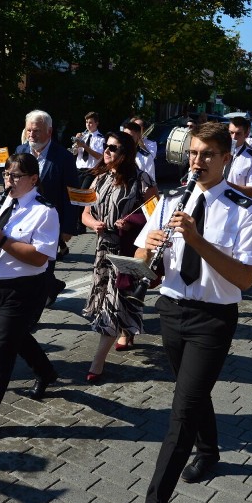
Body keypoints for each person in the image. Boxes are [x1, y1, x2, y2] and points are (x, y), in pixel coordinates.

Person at [128, 122, 252, 503]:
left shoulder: (244, 209)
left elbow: (244, 279)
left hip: (212, 317)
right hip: (171, 308)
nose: (198, 161)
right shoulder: (171, 200)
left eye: (207, 154)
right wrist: (146, 252)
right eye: (193, 153)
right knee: (193, 390)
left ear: (226, 159)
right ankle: (210, 449)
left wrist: (199, 240)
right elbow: (143, 257)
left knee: (182, 409)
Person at [0, 152, 60, 443]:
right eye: (6, 174)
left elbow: (40, 257)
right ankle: (46, 371)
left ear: (33, 179)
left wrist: (1, 239)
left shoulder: (44, 211)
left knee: (1, 348)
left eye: (16, 176)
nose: (10, 180)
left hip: (24, 288)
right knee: (15, 336)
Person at [81, 131, 156, 382]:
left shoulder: (141, 180)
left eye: (113, 148)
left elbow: (156, 214)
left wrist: (131, 222)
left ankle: (97, 362)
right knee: (111, 301)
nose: (107, 151)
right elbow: (85, 214)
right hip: (103, 251)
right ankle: (126, 329)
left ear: (125, 154)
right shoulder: (99, 179)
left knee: (112, 306)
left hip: (127, 251)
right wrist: (94, 224)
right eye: (106, 147)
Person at [15, 110, 80, 304]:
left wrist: (69, 227)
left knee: (45, 264)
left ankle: (34, 308)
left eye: (36, 131)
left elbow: (71, 195)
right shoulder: (20, 151)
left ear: (49, 132)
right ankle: (49, 286)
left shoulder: (64, 158)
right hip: (23, 219)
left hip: (49, 222)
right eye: (29, 130)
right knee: (25, 264)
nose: (31, 135)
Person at [226, 116, 252, 199]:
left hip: (237, 206)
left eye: (238, 133)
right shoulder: (220, 152)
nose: (233, 137)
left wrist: (225, 184)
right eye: (231, 133)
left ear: (246, 134)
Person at [73, 111, 105, 188]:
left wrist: (84, 146)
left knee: (83, 193)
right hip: (78, 169)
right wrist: (76, 145)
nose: (88, 124)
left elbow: (99, 156)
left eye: (90, 122)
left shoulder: (101, 138)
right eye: (87, 122)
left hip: (91, 171)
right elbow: (74, 153)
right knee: (73, 192)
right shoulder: (83, 136)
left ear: (97, 123)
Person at [122, 120, 156, 185]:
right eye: (124, 136)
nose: (126, 139)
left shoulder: (146, 157)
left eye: (130, 137)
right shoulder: (116, 153)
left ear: (138, 136)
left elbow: (150, 184)